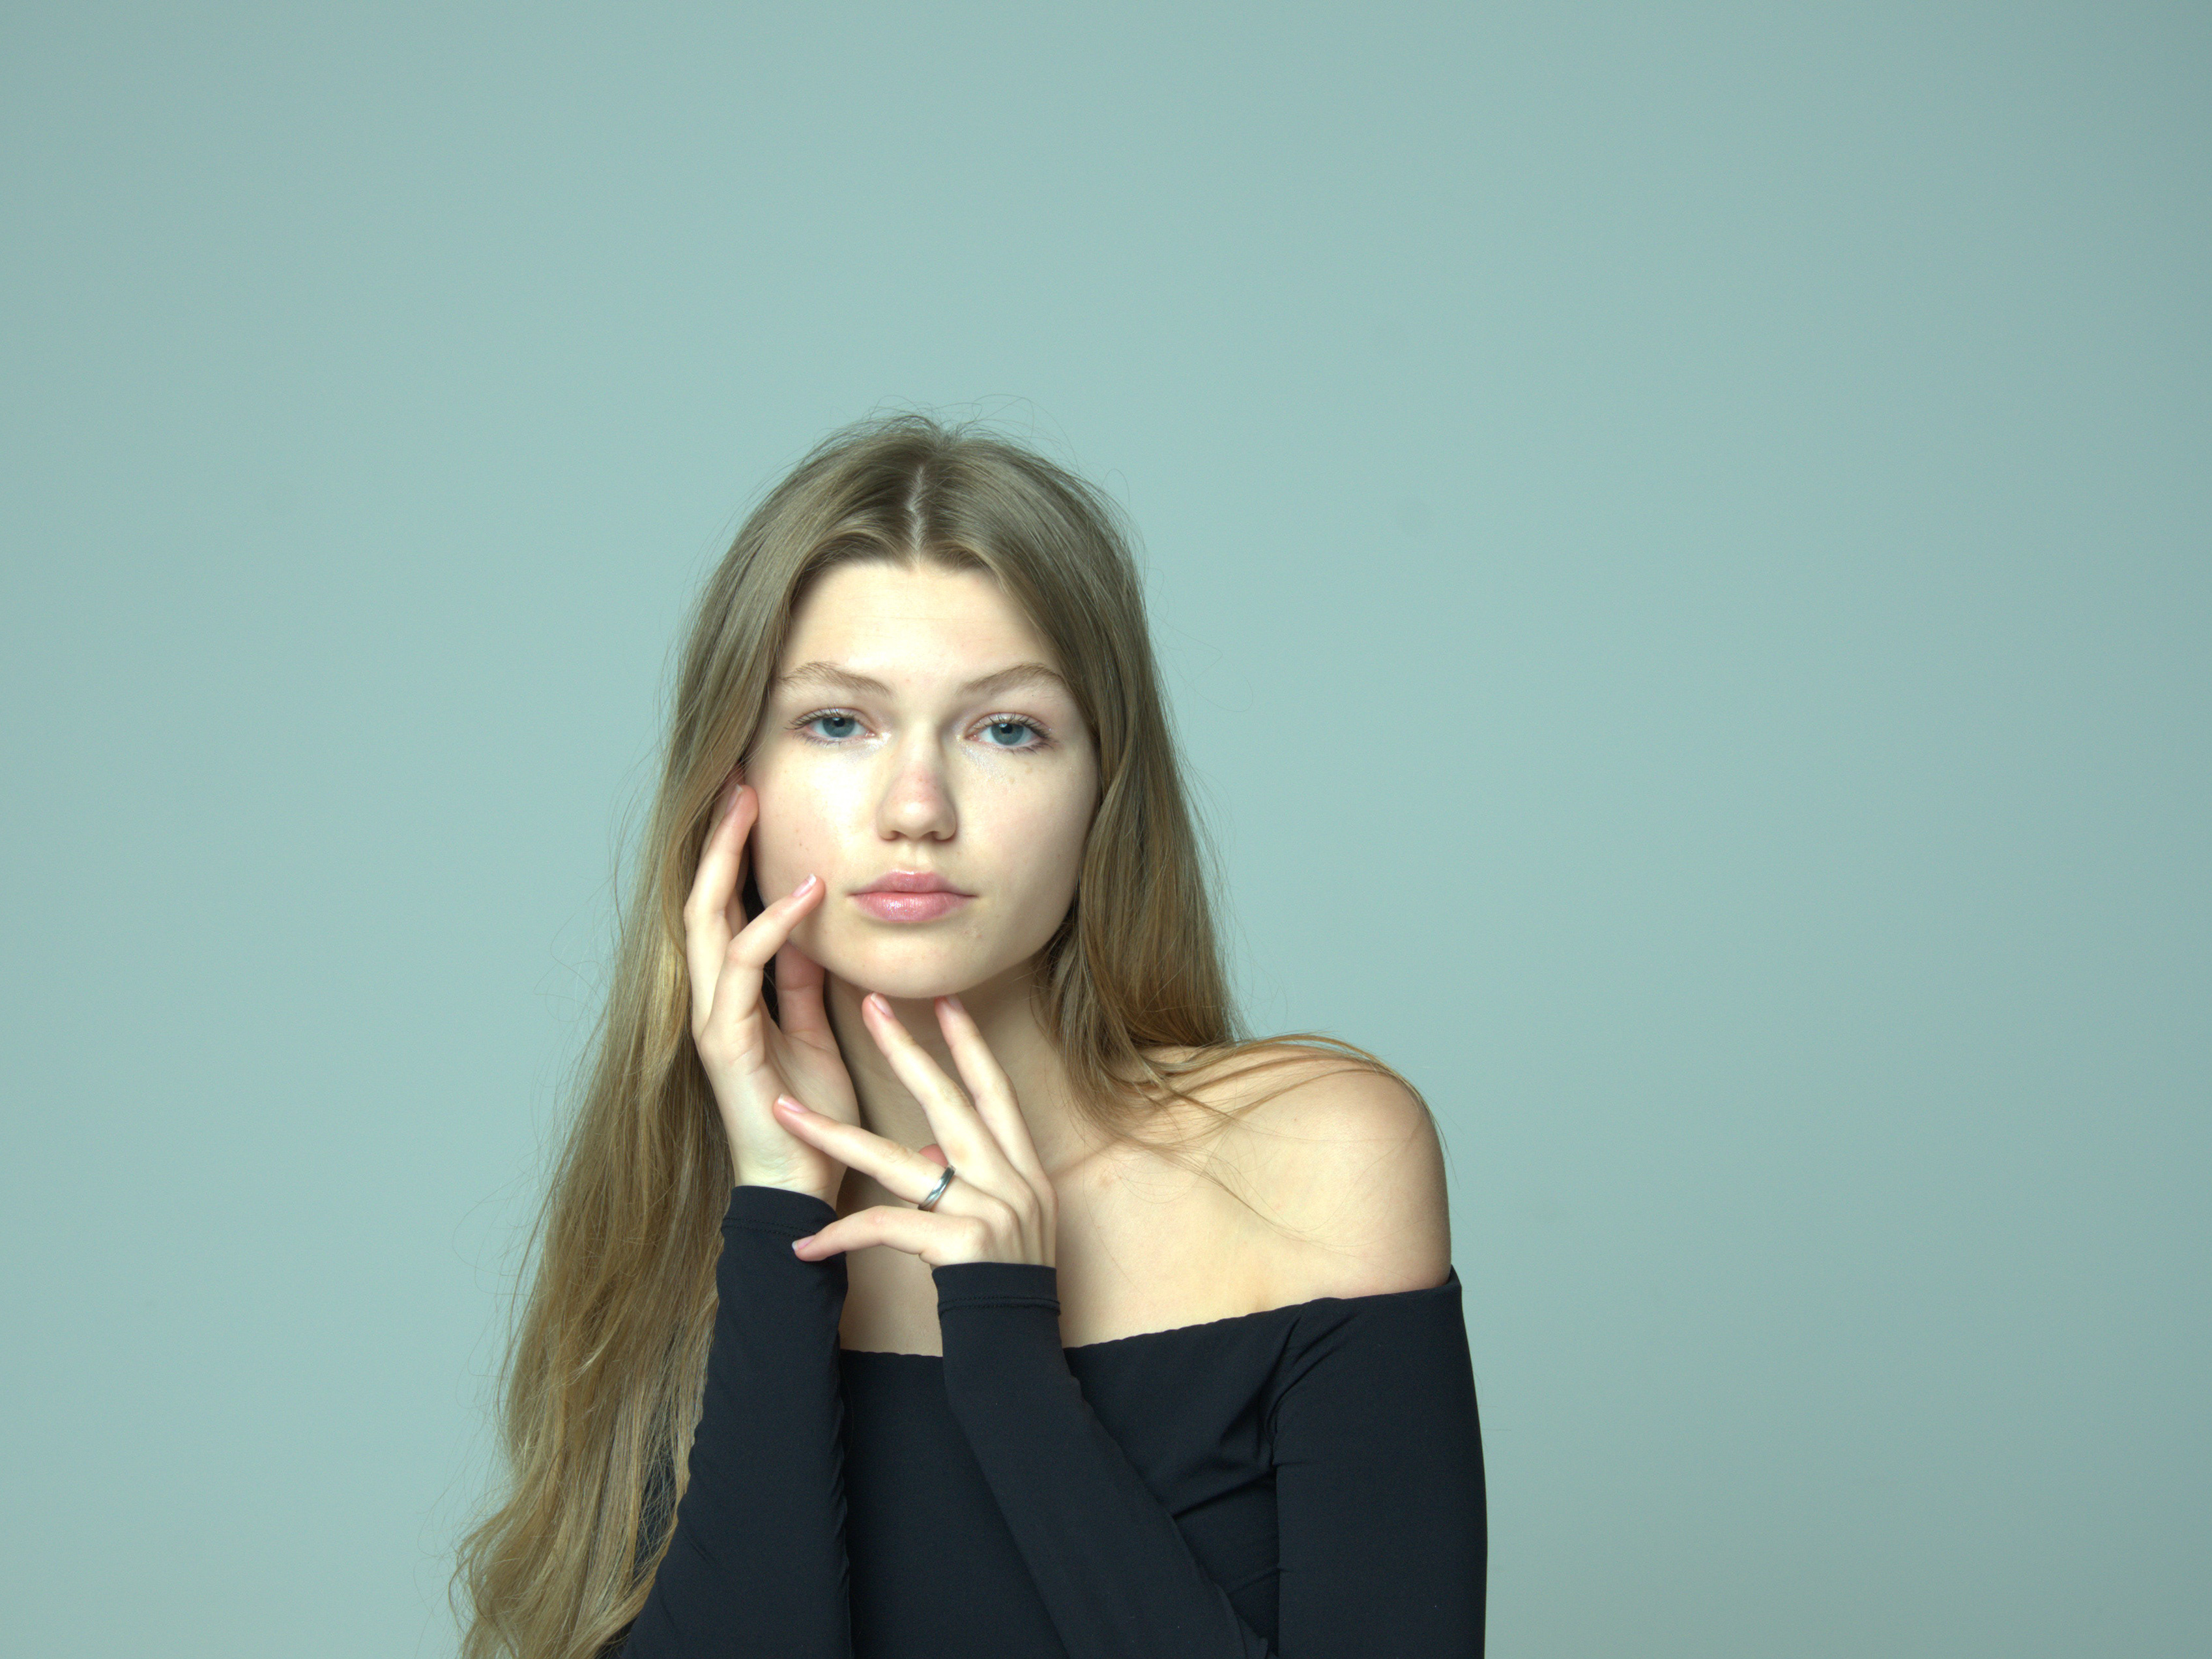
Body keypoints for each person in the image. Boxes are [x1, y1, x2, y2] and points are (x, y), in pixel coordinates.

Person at [456, 415, 1486, 1658]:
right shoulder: (686, 1230)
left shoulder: (1317, 1162)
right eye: (837, 722)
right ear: (732, 783)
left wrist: (1005, 1350)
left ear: (1104, 786)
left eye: (1005, 729)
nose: (916, 809)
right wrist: (779, 1204)